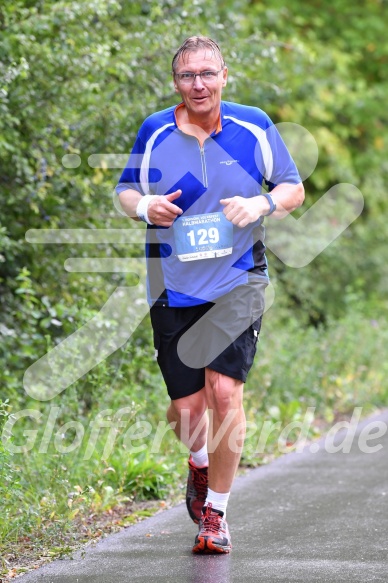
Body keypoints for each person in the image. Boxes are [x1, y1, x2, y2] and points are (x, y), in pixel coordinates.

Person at [116, 36, 304, 554]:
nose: (197, 84)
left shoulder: (253, 126)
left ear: (224, 76)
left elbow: (293, 188)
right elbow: (124, 190)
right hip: (172, 285)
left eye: (206, 73)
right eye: (186, 76)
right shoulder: (155, 130)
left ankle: (216, 516)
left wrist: (261, 204)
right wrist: (144, 207)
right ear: (175, 83)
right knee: (186, 409)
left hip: (237, 281)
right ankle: (198, 463)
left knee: (224, 393)